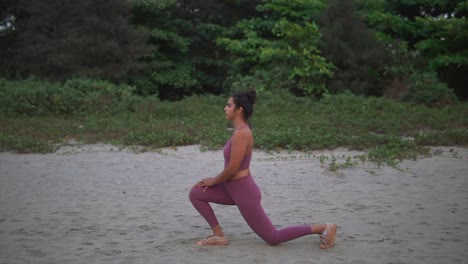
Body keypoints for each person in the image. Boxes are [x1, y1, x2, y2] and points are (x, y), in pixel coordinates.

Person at [189, 89, 337, 248]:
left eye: (229, 105)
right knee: (196, 193)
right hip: (230, 189)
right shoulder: (238, 132)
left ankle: (323, 228)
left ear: (239, 110)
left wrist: (213, 181)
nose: (225, 108)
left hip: (244, 191)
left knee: (272, 237)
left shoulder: (242, 133)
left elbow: (232, 169)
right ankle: (219, 236)